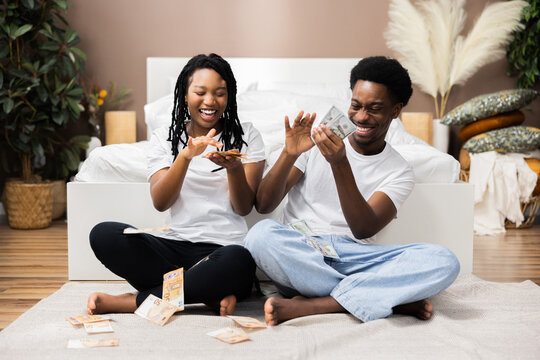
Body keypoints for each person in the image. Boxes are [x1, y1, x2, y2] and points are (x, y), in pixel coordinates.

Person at [244, 56, 460, 325]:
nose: (361, 117)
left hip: (356, 257)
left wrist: (340, 162)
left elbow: (363, 229)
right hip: (303, 253)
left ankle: (320, 305)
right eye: (356, 106)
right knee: (260, 235)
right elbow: (264, 205)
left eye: (374, 109)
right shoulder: (315, 142)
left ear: (395, 111)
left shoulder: (399, 170)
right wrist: (288, 154)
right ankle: (381, 296)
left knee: (444, 260)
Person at [87, 53, 265, 316]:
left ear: (229, 97)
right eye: (200, 92)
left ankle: (134, 302)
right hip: (175, 248)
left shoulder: (247, 135)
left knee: (238, 261)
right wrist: (185, 157)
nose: (210, 101)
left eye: (219, 93)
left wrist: (234, 168)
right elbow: (161, 202)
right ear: (184, 94)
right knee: (104, 235)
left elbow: (243, 208)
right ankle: (206, 292)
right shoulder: (165, 138)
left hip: (224, 250)